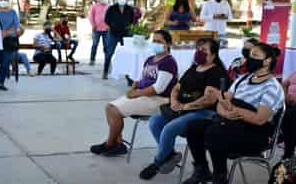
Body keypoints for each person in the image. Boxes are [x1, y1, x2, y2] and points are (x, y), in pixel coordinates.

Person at [182, 43, 284, 184]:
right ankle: (202, 171)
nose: (249, 58)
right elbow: (222, 103)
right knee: (194, 126)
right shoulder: (242, 79)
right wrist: (225, 112)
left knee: (215, 131)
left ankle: (220, 177)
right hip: (231, 125)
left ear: (267, 61)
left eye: (255, 56)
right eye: (250, 55)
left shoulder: (272, 87)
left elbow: (259, 119)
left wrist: (232, 109)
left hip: (255, 135)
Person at [139, 38, 229, 180]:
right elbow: (176, 87)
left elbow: (209, 100)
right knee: (155, 122)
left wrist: (186, 106)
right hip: (182, 109)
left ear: (213, 55)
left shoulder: (216, 72)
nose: (199, 52)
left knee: (169, 129)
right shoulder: (193, 68)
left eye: (204, 50)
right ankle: (169, 155)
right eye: (198, 49)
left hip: (204, 113)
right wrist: (174, 101)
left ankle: (157, 163)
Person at [90, 30, 178, 156]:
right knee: (110, 107)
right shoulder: (150, 59)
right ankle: (118, 143)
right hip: (144, 95)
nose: (155, 44)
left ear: (168, 44)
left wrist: (136, 94)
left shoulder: (168, 62)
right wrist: (133, 88)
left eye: (159, 41)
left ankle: (110, 144)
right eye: (154, 41)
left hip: (158, 99)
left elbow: (158, 88)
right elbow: (142, 79)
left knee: (113, 110)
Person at [103, 0, 135, 79]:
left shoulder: (130, 9)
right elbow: (106, 20)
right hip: (113, 34)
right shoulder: (111, 8)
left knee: (127, 55)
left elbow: (133, 21)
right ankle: (105, 72)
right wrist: (112, 26)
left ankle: (128, 76)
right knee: (109, 53)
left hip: (126, 35)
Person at [89, 0, 109, 66]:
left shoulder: (109, 7)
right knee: (94, 45)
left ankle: (107, 61)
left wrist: (109, 26)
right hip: (96, 29)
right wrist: (93, 25)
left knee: (106, 46)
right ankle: (92, 60)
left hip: (106, 30)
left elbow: (112, 17)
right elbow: (91, 16)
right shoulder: (94, 6)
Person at [282, 70, 296, 159]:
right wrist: (285, 97)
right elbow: (284, 83)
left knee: (290, 115)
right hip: (289, 104)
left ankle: (288, 153)